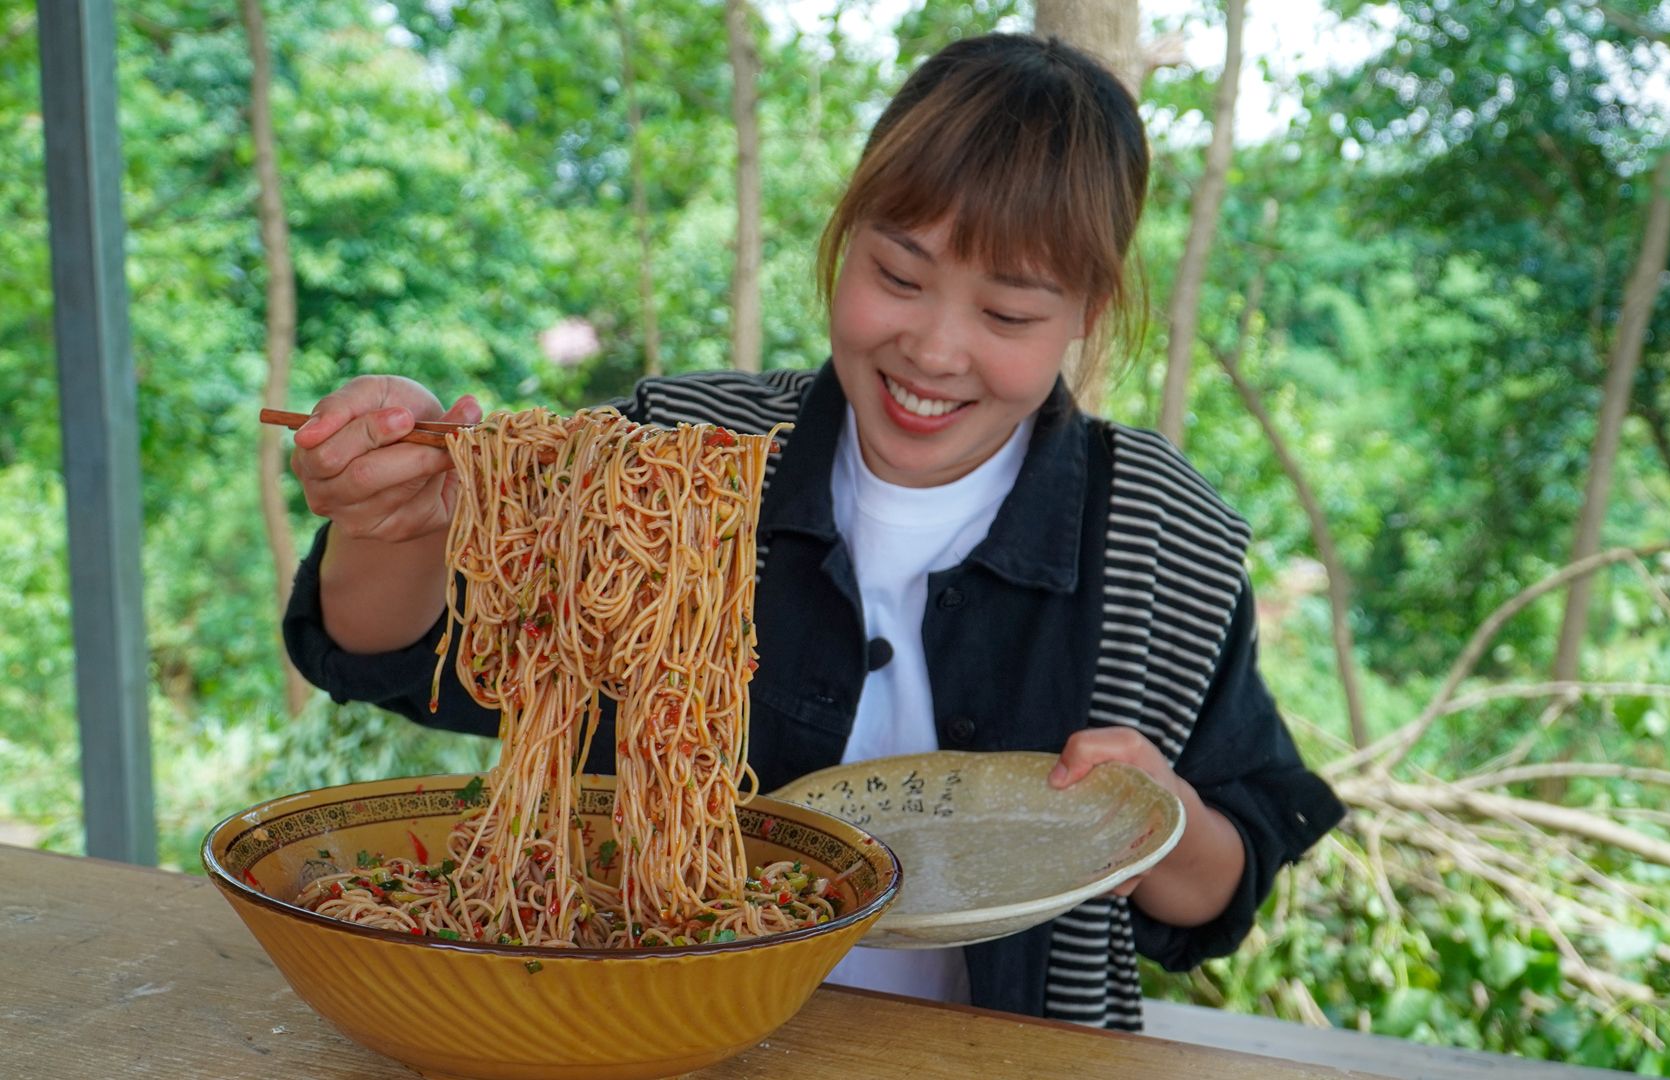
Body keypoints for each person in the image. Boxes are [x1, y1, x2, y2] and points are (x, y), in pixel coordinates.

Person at [282, 32, 1345, 1030]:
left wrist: (1157, 820)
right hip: (653, 1031)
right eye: (897, 275)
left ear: (1089, 316)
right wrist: (397, 515)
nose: (934, 349)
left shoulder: (1159, 534)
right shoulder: (669, 454)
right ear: (843, 242)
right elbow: (399, 654)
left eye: (1009, 315)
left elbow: (1227, 875)